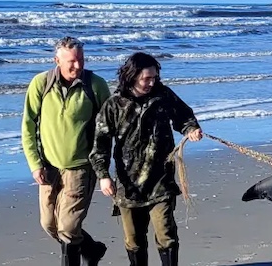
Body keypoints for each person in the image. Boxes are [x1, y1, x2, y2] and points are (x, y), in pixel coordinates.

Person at [90, 52, 203, 266]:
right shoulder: (114, 104)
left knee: (166, 233)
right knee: (134, 240)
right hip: (128, 184)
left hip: (161, 180)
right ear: (132, 76)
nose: (152, 82)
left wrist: (191, 129)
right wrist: (103, 176)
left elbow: (184, 116)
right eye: (146, 78)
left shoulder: (163, 95)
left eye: (155, 78)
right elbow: (100, 144)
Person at [21, 36, 112, 266]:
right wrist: (35, 164)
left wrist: (104, 171)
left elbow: (109, 127)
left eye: (81, 59)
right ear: (57, 60)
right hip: (48, 168)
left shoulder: (96, 85)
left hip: (81, 168)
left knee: (69, 228)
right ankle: (92, 250)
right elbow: (28, 125)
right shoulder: (40, 84)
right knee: (49, 224)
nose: (78, 66)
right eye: (72, 61)